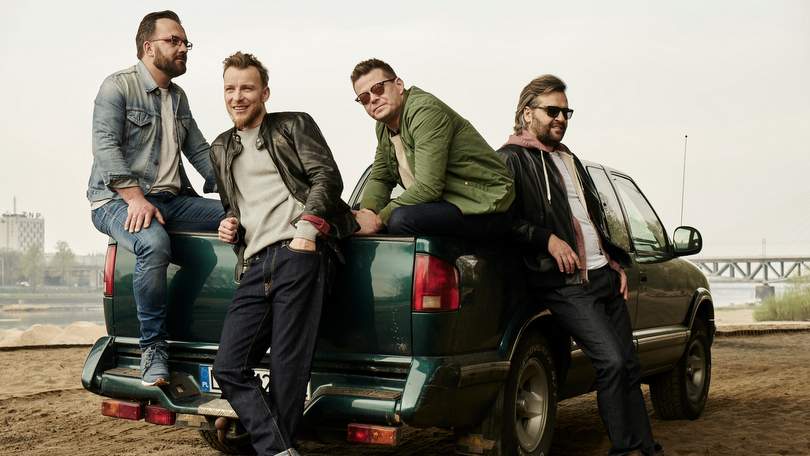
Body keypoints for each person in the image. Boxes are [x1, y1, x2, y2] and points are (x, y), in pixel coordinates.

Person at [496, 75, 663, 456]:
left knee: (629, 366)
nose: (561, 118)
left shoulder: (569, 158)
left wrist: (615, 262)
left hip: (604, 274)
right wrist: (547, 239)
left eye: (566, 112)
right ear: (527, 113)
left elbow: (593, 218)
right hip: (565, 283)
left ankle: (646, 448)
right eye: (552, 110)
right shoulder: (510, 159)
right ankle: (624, 449)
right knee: (612, 362)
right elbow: (501, 220)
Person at [210, 52, 357, 456]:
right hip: (255, 262)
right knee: (229, 366)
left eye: (247, 88)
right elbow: (235, 205)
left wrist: (306, 232)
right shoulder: (220, 147)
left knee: (287, 368)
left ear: (265, 93)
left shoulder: (293, 125)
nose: (237, 97)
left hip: (299, 253)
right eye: (230, 88)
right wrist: (229, 223)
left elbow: (326, 176)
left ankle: (275, 450)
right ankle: (279, 448)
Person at [87, 10, 224, 386]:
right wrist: (134, 197)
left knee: (241, 213)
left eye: (185, 43)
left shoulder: (178, 98)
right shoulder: (117, 87)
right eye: (174, 41)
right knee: (153, 243)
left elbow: (201, 153)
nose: (183, 48)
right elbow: (105, 147)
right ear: (149, 47)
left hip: (171, 200)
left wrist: (239, 192)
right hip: (115, 201)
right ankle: (153, 349)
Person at [350, 58, 514, 237]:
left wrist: (378, 220)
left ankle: (460, 257)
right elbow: (380, 178)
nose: (373, 99)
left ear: (399, 85)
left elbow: (428, 187)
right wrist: (367, 212)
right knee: (352, 219)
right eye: (364, 98)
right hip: (445, 202)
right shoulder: (383, 127)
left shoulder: (424, 111)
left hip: (484, 203)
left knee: (400, 219)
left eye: (378, 88)